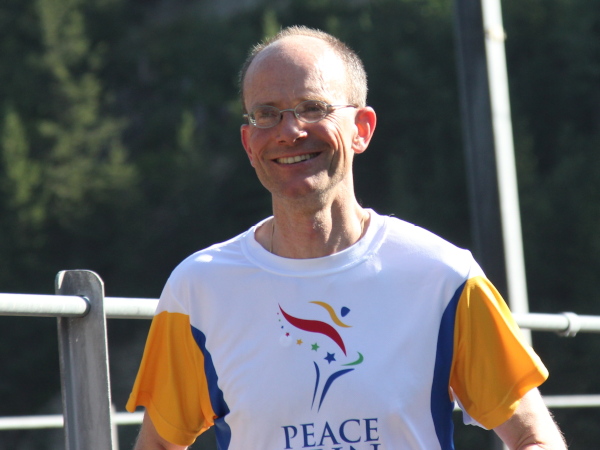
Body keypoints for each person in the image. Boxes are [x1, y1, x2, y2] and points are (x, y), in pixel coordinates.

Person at [126, 25, 567, 450]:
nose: (289, 131)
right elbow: (160, 443)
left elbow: (534, 438)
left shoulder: (443, 277)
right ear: (248, 142)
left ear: (362, 129)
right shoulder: (198, 290)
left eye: (312, 107)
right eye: (266, 114)